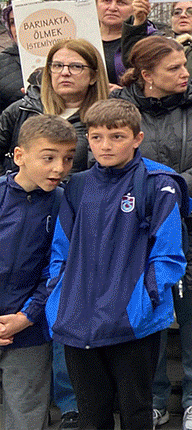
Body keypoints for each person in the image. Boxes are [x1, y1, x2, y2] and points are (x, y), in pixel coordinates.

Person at [114, 36, 192, 430]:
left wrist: (176, 186)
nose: (185, 73)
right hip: (137, 227)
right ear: (147, 75)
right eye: (174, 68)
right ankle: (154, 397)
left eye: (185, 65)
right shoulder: (121, 111)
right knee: (150, 315)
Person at [47, 99, 187, 430]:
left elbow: (169, 255)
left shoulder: (159, 183)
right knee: (91, 415)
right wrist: (59, 299)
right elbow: (60, 251)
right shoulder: (77, 186)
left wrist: (144, 300)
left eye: (116, 136)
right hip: (79, 317)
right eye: (96, 137)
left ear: (137, 138)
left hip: (131, 320)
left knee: (136, 411)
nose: (105, 146)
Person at [0, 115, 76, 430]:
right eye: (48, 157)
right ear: (20, 156)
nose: (59, 167)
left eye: (68, 158)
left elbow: (58, 271)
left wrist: (26, 316)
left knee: (25, 413)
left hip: (29, 330)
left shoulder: (64, 204)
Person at [0, 37, 109, 173]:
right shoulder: (22, 109)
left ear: (93, 76)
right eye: (57, 66)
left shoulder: (106, 119)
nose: (65, 73)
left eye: (76, 66)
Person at [99, 0, 157, 85]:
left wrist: (123, 94)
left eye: (121, 2)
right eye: (107, 1)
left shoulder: (150, 40)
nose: (112, 8)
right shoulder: (81, 37)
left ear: (135, 7)